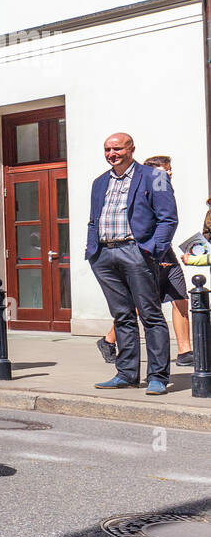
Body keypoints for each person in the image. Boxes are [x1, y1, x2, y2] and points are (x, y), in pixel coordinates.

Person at [87, 133, 178, 395]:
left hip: (137, 252)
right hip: (104, 255)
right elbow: (94, 218)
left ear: (131, 149)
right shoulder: (99, 181)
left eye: (117, 148)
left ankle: (158, 376)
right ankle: (126, 374)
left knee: (150, 315)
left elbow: (168, 219)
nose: (111, 153)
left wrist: (152, 252)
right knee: (122, 316)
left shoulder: (155, 177)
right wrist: (93, 250)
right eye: (107, 149)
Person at [97, 155, 192, 367]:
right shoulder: (146, 187)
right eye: (164, 170)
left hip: (166, 254)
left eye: (169, 170)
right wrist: (152, 253)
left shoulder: (164, 188)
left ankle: (185, 351)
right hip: (149, 254)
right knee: (143, 305)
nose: (168, 173)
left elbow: (168, 220)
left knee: (180, 298)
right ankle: (108, 340)